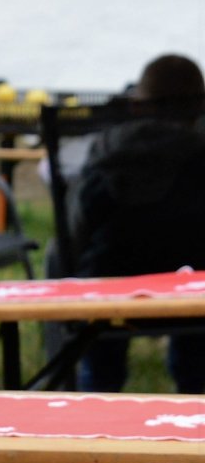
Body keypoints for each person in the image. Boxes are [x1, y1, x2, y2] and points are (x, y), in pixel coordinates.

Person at [62, 53, 205, 392]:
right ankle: (195, 394)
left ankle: (95, 390)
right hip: (192, 288)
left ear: (139, 105)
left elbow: (80, 222)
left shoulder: (106, 150)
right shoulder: (200, 154)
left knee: (67, 256)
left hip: (106, 285)